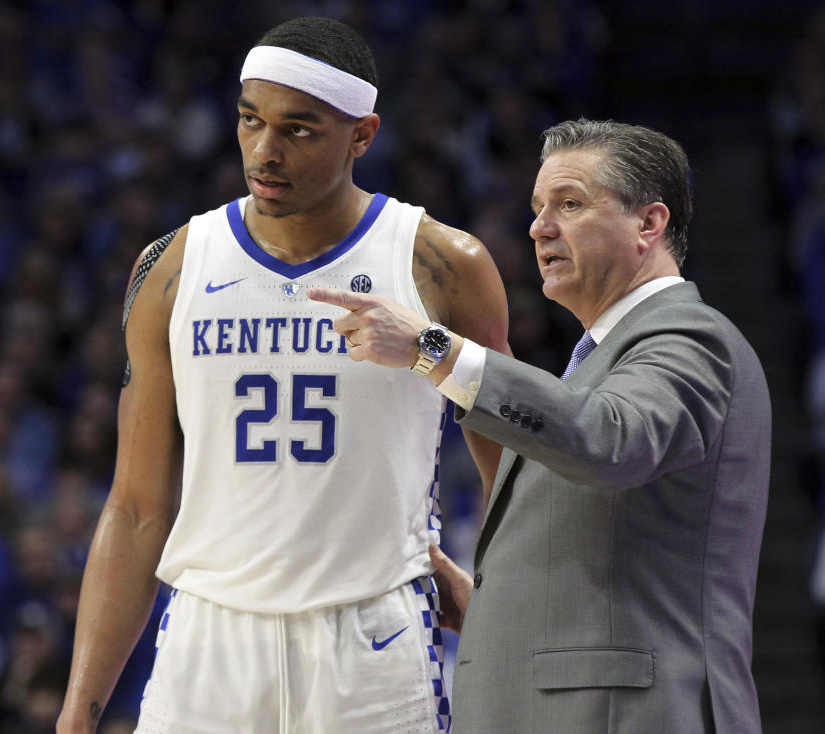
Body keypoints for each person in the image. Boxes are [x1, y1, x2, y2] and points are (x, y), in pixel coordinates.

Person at [56, 16, 509, 734]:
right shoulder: (170, 268)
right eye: (249, 121)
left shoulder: (442, 264)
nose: (265, 151)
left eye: (299, 129)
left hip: (374, 635)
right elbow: (138, 506)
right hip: (209, 633)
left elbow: (511, 478)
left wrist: (505, 603)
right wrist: (77, 716)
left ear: (362, 135)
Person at [309, 118, 771, 734]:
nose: (539, 226)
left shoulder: (690, 336)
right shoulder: (600, 362)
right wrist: (487, 606)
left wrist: (435, 349)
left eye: (570, 204)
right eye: (537, 208)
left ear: (649, 224)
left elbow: (610, 442)